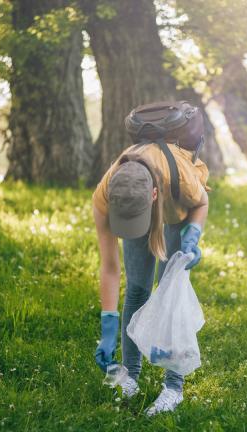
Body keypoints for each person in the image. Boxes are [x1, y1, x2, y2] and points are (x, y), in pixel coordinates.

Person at [91, 104, 210, 416]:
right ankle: (129, 374)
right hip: (139, 204)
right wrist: (108, 323)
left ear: (153, 195)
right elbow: (109, 266)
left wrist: (193, 234)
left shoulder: (178, 177)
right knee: (138, 289)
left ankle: (174, 387)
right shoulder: (105, 194)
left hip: (177, 212)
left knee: (170, 288)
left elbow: (202, 201)